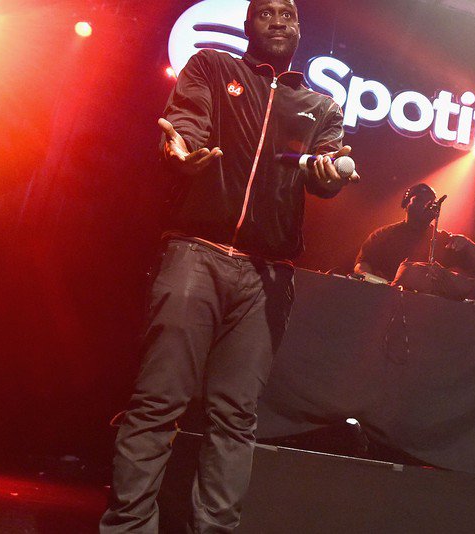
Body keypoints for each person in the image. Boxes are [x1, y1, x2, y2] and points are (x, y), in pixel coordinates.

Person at [100, 1, 358, 531]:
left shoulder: (320, 104)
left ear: (299, 28)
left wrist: (333, 174)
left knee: (236, 418)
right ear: (247, 24)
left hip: (267, 274)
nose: (278, 20)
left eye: (288, 13)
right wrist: (179, 148)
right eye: (266, 12)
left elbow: (327, 168)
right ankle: (128, 526)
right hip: (196, 252)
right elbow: (186, 123)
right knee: (158, 402)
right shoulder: (213, 67)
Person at [354, 183, 475, 282]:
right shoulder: (384, 234)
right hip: (386, 299)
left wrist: (467, 243)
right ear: (406, 204)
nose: (427, 205)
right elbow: (361, 266)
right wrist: (382, 285)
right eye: (420, 200)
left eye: (431, 202)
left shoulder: (443, 240)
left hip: (427, 306)